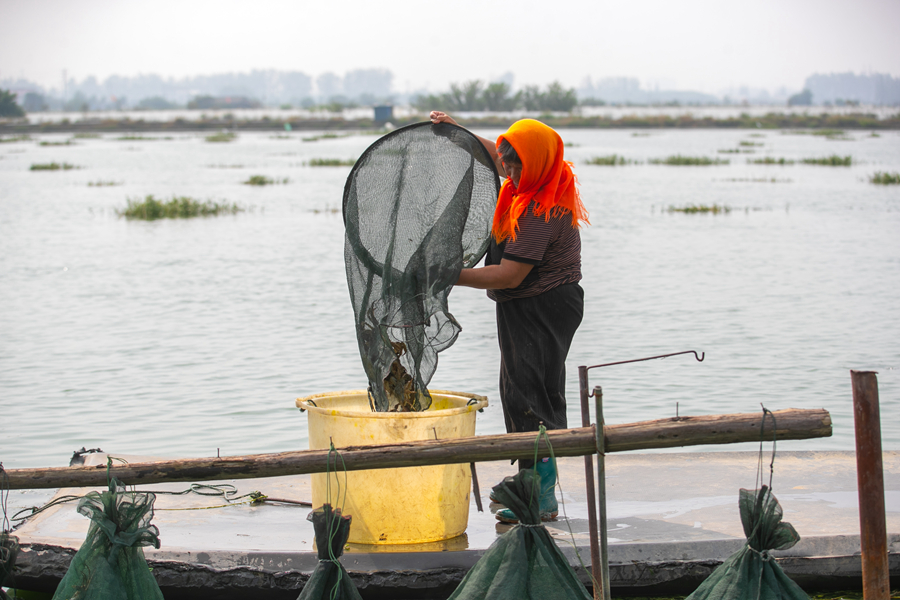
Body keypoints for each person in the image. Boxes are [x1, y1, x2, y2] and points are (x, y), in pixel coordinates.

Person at [430, 111, 589, 523]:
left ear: (536, 163)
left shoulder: (540, 208)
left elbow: (509, 274)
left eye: (518, 164)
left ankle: (541, 495)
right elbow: (498, 155)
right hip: (529, 302)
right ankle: (530, 482)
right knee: (521, 391)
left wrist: (444, 275)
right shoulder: (534, 180)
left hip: (545, 305)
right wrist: (457, 130)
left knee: (531, 394)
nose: (510, 171)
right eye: (508, 162)